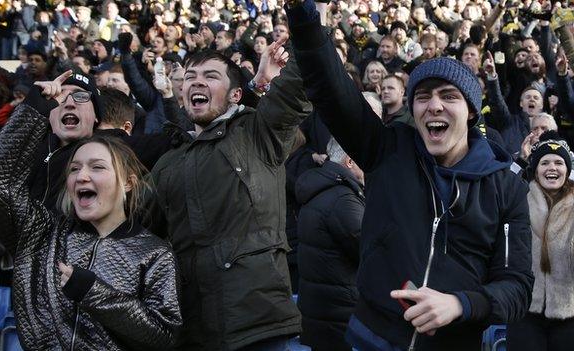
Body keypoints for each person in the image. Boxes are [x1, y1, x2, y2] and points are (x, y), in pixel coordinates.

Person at [286, 1, 533, 350]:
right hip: (370, 339)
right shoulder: (388, 150)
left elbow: (517, 286)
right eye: (422, 96)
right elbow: (331, 89)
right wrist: (305, 18)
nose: (434, 105)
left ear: (472, 111)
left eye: (449, 96)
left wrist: (461, 304)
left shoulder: (507, 187)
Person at [0, 70, 181, 350]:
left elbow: (164, 336)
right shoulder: (42, 235)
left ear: (129, 183)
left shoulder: (154, 254)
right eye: (74, 169)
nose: (82, 176)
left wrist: (94, 292)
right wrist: (34, 107)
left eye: (97, 167)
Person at [147, 38, 312, 350]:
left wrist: (312, 15)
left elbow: (302, 78)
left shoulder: (256, 134)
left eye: (210, 76)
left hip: (258, 325)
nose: (197, 81)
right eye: (190, 76)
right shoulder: (167, 163)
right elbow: (143, 236)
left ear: (236, 94)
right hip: (192, 331)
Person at [295, 138, 365, 351]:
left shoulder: (321, 189)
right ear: (350, 161)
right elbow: (370, 251)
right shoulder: (342, 199)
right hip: (340, 319)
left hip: (321, 315)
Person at [508, 131, 574, 351]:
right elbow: (501, 186)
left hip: (569, 312)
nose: (552, 168)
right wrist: (520, 160)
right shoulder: (518, 198)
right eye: (544, 162)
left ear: (568, 170)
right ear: (535, 170)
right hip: (524, 310)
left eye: (559, 162)